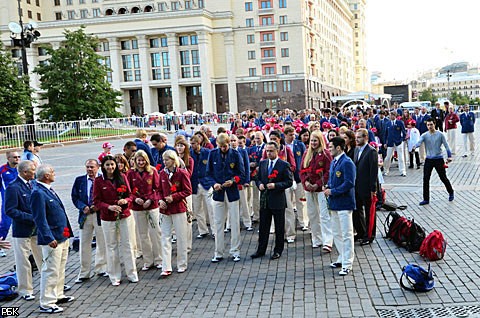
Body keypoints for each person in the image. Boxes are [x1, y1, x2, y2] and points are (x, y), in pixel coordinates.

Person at [31, 164, 74, 313]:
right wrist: (48, 237)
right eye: (52, 172)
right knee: (50, 269)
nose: (54, 174)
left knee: (60, 268)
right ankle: (47, 302)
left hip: (62, 236)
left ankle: (58, 293)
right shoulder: (38, 192)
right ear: (46, 176)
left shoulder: (48, 189)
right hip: (52, 239)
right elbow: (39, 218)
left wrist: (67, 233)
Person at [93, 156, 138, 286]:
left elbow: (130, 195)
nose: (110, 167)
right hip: (108, 218)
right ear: (103, 166)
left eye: (112, 164)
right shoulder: (99, 181)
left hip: (124, 215)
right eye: (107, 165)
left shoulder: (122, 177)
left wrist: (125, 201)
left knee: (127, 244)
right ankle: (114, 275)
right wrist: (108, 207)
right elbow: (96, 201)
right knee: (111, 246)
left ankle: (132, 273)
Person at [5, 160, 42, 301]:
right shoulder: (13, 187)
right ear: (24, 172)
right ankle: (26, 290)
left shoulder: (34, 183)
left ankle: (49, 285)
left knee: (42, 258)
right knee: (23, 261)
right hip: (22, 230)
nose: (35, 172)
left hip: (37, 229)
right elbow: (10, 210)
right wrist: (31, 218)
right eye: (33, 170)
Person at [206, 133, 245, 263]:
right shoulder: (212, 154)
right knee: (218, 223)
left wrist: (233, 181)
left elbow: (242, 173)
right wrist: (214, 184)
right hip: (218, 193)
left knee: (234, 222)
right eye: (221, 146)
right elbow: (208, 173)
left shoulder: (235, 154)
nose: (223, 148)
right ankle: (218, 252)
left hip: (232, 192)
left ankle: (235, 251)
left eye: (225, 146)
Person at [251, 141, 293, 260]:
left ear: (277, 151)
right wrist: (259, 185)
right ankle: (261, 250)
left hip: (278, 200)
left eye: (271, 151)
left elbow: (288, 182)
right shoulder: (263, 163)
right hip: (265, 200)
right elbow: (257, 178)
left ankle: (278, 250)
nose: (268, 153)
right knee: (264, 226)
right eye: (267, 151)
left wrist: (276, 185)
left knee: (279, 227)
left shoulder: (283, 165)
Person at [71, 159, 107, 284]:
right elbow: (74, 197)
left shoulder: (103, 179)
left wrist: (98, 206)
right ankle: (84, 272)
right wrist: (83, 207)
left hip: (99, 215)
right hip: (85, 216)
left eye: (92, 167)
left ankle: (101, 267)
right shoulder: (79, 180)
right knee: (84, 244)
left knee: (102, 242)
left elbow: (106, 196)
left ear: (98, 167)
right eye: (87, 167)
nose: (89, 169)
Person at [323, 137, 356, 276]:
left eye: (331, 147)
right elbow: (332, 179)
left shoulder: (347, 162)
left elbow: (349, 183)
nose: (329, 149)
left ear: (338, 148)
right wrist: (328, 186)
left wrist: (333, 191)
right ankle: (342, 257)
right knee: (336, 232)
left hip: (344, 203)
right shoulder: (334, 162)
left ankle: (348, 263)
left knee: (347, 233)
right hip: (334, 203)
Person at [158, 150, 192, 277]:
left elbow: (188, 190)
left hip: (178, 208)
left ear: (173, 160)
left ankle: (182, 263)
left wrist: (175, 197)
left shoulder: (182, 173)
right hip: (165, 209)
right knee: (165, 236)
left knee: (181, 236)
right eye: (163, 160)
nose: (164, 162)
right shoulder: (162, 173)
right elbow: (158, 190)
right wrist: (160, 200)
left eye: (167, 160)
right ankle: (166, 266)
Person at [127, 150, 163, 271]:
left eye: (143, 160)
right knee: (142, 234)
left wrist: (151, 200)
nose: (141, 162)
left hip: (151, 206)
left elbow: (157, 188)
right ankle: (148, 260)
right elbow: (128, 190)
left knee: (155, 232)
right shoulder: (130, 173)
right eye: (139, 160)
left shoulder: (152, 171)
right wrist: (135, 199)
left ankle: (159, 258)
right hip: (138, 207)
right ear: (135, 161)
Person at [300, 131, 333, 251]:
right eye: (312, 140)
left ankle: (327, 241)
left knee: (324, 215)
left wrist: (318, 184)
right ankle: (317, 239)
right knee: (313, 215)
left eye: (316, 140)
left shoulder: (326, 154)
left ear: (320, 141)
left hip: (321, 189)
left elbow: (328, 172)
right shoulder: (306, 154)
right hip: (309, 189)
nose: (313, 143)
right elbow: (302, 170)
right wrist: (306, 183)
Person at [413, 119, 454, 206]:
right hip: (429, 159)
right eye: (428, 125)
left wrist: (449, 156)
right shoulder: (425, 135)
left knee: (443, 177)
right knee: (426, 179)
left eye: (431, 124)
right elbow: (419, 142)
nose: (430, 127)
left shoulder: (440, 134)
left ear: (434, 124)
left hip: (438, 159)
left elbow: (446, 146)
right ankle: (426, 199)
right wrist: (414, 147)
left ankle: (451, 192)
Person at [353, 129, 378, 246]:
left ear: (366, 137)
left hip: (367, 187)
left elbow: (373, 172)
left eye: (359, 137)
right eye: (356, 137)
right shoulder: (357, 150)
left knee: (369, 212)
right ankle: (361, 232)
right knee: (357, 211)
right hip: (357, 186)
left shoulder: (371, 151)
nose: (357, 139)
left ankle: (369, 235)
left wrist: (373, 189)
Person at [190, 135, 215, 238]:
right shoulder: (190, 154)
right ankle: (202, 230)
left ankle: (214, 231)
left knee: (211, 207)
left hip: (206, 183)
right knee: (197, 209)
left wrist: (211, 181)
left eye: (194, 144)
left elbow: (212, 167)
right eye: (191, 144)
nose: (192, 146)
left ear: (198, 143)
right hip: (195, 184)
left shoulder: (207, 152)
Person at [284, 126, 308, 232]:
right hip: (287, 178)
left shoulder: (300, 145)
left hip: (298, 177)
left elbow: (305, 159)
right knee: (288, 203)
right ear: (285, 135)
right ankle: (290, 224)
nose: (293, 136)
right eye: (290, 135)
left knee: (301, 201)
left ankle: (303, 222)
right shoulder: (282, 146)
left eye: (294, 134)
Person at [229, 135, 252, 231]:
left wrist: (247, 180)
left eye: (235, 140)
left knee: (244, 203)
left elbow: (247, 167)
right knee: (231, 205)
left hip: (241, 181)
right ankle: (230, 224)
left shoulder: (243, 151)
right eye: (231, 141)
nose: (233, 142)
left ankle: (247, 223)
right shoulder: (227, 152)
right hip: (230, 182)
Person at [0, 151, 21, 257]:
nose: (17, 159)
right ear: (8, 158)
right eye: (14, 157)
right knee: (5, 224)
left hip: (21, 201)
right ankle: (0, 245)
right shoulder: (2, 170)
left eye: (18, 157)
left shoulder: (21, 169)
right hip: (8, 202)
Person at [248, 131, 266, 223]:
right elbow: (248, 159)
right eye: (256, 138)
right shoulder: (251, 149)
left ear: (263, 137)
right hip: (254, 175)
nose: (257, 140)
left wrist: (258, 164)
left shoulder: (266, 147)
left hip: (264, 175)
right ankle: (256, 215)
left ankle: (263, 215)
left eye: (259, 138)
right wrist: (250, 164)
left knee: (263, 196)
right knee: (255, 196)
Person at [384, 111, 407, 177]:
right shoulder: (387, 123)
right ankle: (386, 170)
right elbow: (385, 134)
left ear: (395, 116)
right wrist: (385, 142)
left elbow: (404, 132)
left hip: (398, 142)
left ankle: (403, 171)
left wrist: (402, 139)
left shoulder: (400, 122)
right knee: (388, 157)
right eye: (390, 115)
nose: (391, 116)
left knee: (401, 157)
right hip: (390, 142)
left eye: (393, 115)